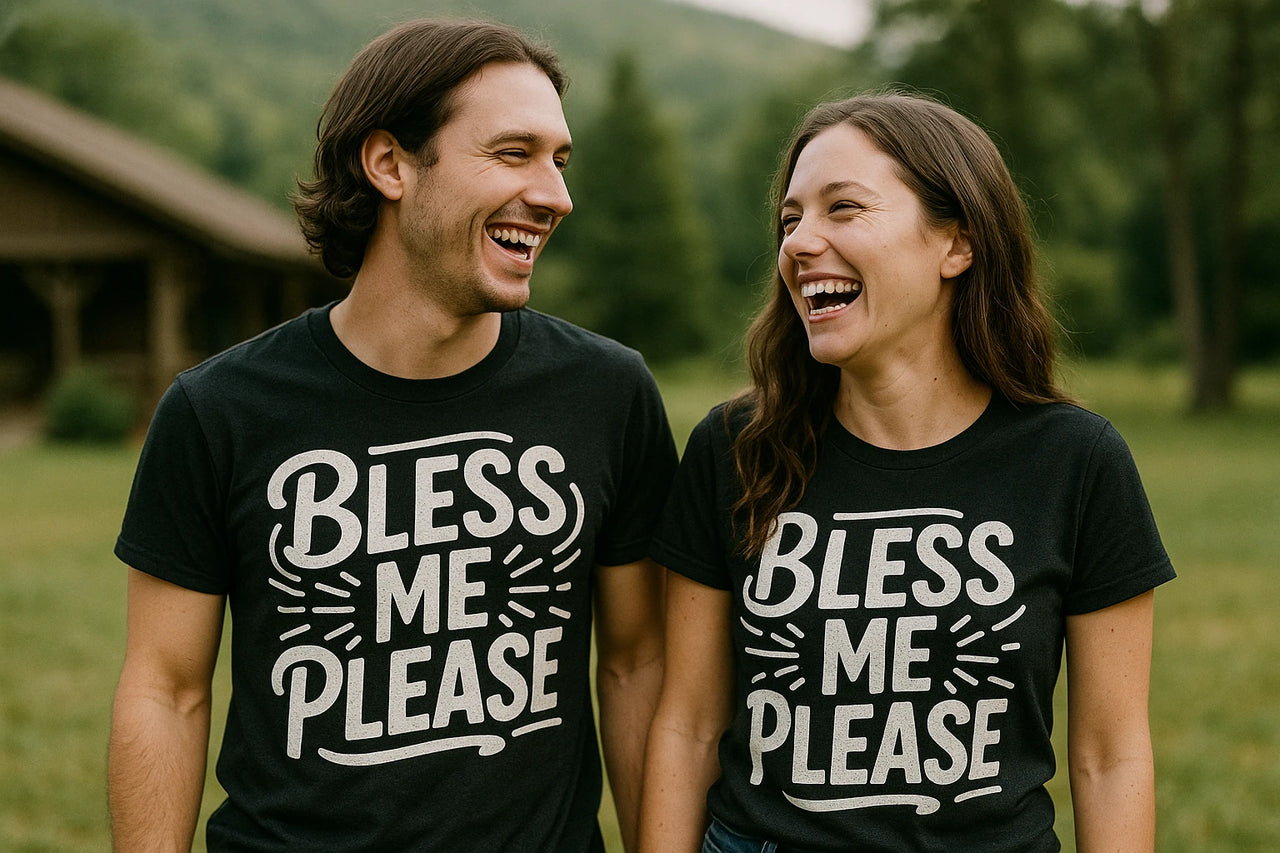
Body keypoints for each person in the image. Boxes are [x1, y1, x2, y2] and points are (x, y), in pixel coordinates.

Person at [108, 19, 676, 852]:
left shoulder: (607, 391)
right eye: (514, 153)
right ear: (390, 164)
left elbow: (635, 663)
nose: (556, 194)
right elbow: (165, 688)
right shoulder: (217, 408)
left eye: (559, 159)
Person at [639, 92, 1174, 853]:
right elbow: (687, 724)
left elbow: (1110, 754)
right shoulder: (734, 447)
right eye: (790, 220)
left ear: (956, 243)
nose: (799, 243)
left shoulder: (1075, 461)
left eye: (843, 209)